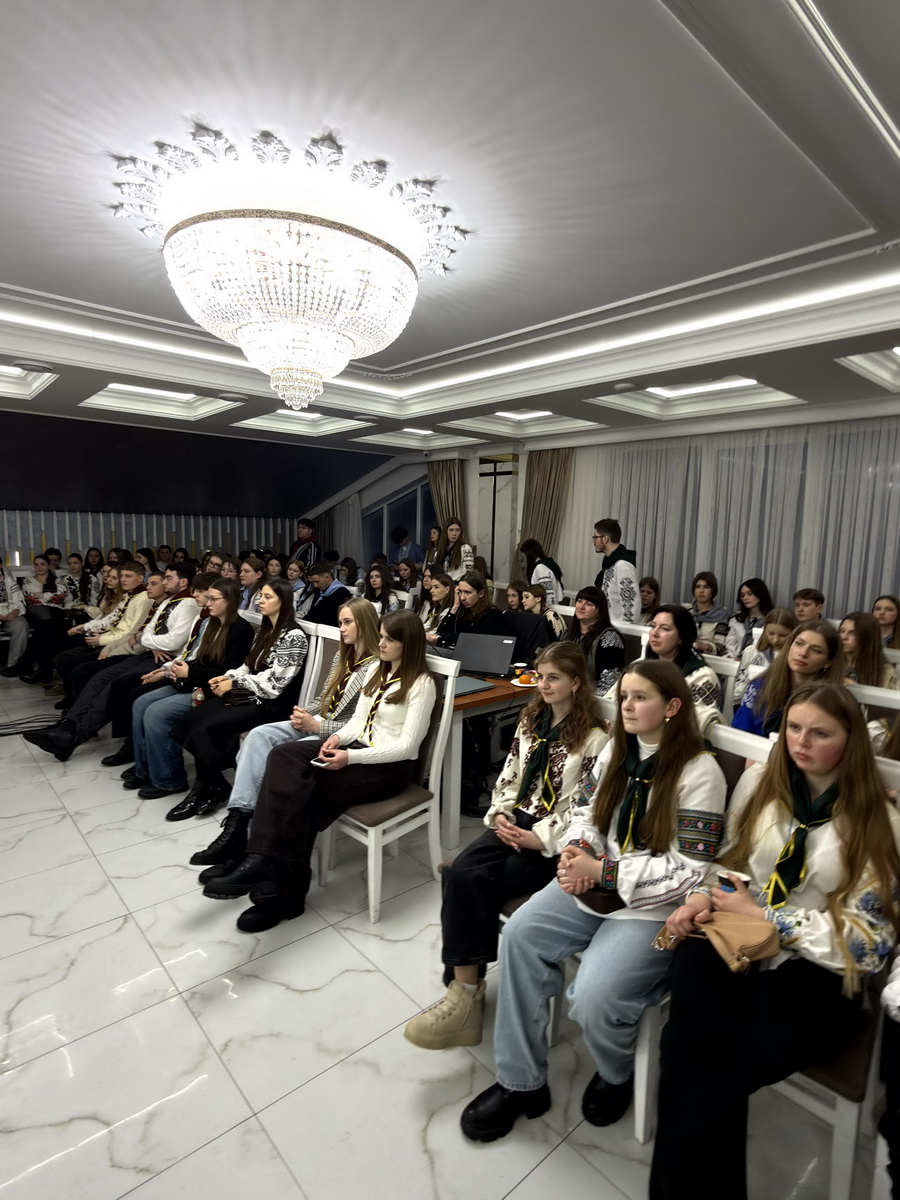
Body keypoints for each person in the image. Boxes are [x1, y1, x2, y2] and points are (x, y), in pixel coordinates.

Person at [650, 683, 900, 1199]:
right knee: (687, 1040)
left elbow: (869, 944)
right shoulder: (763, 786)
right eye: (793, 728)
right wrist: (702, 897)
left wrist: (769, 916)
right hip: (737, 935)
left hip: (820, 968)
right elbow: (729, 864)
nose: (801, 742)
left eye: (820, 733)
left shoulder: (880, 822)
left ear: (851, 741)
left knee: (705, 1065)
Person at [459, 660, 726, 1142]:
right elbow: (585, 811)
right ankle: (521, 1082)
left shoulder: (700, 771)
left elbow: (690, 870)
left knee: (594, 996)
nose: (627, 706)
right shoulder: (617, 752)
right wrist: (578, 849)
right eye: (624, 697)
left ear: (672, 707)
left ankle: (616, 1072)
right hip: (595, 885)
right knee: (519, 937)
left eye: (640, 697)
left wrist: (603, 871)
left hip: (654, 908)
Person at [404, 643, 607, 1050]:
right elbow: (509, 775)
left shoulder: (594, 739)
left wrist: (540, 838)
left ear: (575, 683)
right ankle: (466, 992)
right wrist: (500, 813)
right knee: (460, 871)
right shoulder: (532, 720)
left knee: (472, 881)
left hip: (553, 839)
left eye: (554, 678)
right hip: (516, 820)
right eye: (540, 676)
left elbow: (584, 808)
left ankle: (463, 989)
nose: (543, 685)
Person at [201, 609, 437, 933]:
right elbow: (357, 722)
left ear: (408, 644)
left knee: (303, 791)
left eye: (388, 639)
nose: (380, 643)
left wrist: (350, 758)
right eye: (381, 636)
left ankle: (278, 888)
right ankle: (263, 862)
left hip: (389, 768)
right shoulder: (376, 670)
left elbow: (407, 748)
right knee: (283, 756)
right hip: (356, 749)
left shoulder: (422, 684)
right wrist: (337, 739)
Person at [189, 597, 381, 871]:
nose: (341, 629)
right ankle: (237, 823)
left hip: (339, 736)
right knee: (258, 737)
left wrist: (316, 726)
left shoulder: (376, 666)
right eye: (340, 622)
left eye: (348, 622)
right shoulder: (343, 655)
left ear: (365, 623)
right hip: (318, 721)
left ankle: (248, 840)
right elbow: (323, 699)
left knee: (278, 757)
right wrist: (303, 713)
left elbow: (362, 725)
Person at [24, 565, 200, 762]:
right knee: (101, 677)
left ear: (183, 582)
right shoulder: (168, 601)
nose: (164, 582)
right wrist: (148, 640)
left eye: (168, 578)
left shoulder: (188, 605)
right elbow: (146, 630)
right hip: (150, 653)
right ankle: (68, 725)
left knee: (116, 685)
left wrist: (146, 639)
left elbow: (171, 642)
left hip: (165, 659)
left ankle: (74, 737)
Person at [166, 578, 308, 818]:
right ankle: (213, 785)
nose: (260, 601)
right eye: (260, 596)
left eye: (267, 597)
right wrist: (227, 677)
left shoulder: (294, 636)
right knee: (191, 720)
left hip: (272, 705)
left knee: (205, 727)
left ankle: (205, 788)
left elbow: (275, 685)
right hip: (249, 696)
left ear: (283, 602)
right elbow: (247, 665)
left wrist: (234, 683)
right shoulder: (265, 630)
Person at [127, 577, 254, 800]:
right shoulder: (210, 623)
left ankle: (169, 780)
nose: (208, 603)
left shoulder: (241, 630)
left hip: (213, 689)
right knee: (141, 703)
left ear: (230, 600)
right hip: (194, 681)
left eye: (213, 599)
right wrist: (172, 669)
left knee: (157, 713)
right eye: (208, 598)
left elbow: (228, 672)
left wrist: (189, 673)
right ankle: (146, 769)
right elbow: (197, 658)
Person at [51, 562, 151, 703]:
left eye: (127, 576)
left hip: (120, 645)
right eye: (122, 576)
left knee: (77, 667)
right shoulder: (129, 596)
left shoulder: (143, 598)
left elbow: (130, 631)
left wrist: (103, 641)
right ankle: (72, 701)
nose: (123, 580)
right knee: (63, 656)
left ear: (140, 579)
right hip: (109, 638)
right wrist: (88, 628)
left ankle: (77, 705)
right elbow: (111, 619)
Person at [732, 619, 846, 737]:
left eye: (816, 650)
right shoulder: (759, 686)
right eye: (799, 644)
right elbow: (739, 735)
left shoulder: (833, 701)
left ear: (828, 661)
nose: (803, 653)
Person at [645, 605, 721, 715]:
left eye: (665, 629)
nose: (654, 633)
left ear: (681, 637)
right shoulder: (641, 664)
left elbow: (698, 721)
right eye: (653, 626)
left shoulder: (702, 677)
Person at [18, 555, 78, 685]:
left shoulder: (58, 580)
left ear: (48, 566)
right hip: (36, 612)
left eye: (42, 564)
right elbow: (30, 599)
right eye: (36, 564)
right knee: (51, 626)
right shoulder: (28, 581)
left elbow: (60, 596)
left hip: (56, 613)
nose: (39, 567)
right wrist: (49, 597)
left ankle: (31, 665)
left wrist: (41, 595)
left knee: (48, 629)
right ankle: (44, 672)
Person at [564, 585, 625, 696]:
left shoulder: (610, 638)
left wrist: (578, 694)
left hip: (591, 696)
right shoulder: (567, 634)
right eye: (579, 601)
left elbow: (609, 684)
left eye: (589, 604)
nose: (581, 607)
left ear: (599, 611)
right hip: (564, 690)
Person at [733, 606, 797, 706]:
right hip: (749, 702)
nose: (775, 639)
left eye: (783, 635)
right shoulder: (751, 651)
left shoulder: (794, 657)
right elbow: (741, 679)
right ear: (764, 630)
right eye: (771, 633)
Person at [430, 571, 509, 647]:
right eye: (460, 592)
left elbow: (471, 640)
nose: (462, 597)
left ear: (481, 593)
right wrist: (455, 607)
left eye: (467, 592)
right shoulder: (463, 611)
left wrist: (440, 638)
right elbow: (441, 632)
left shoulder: (493, 615)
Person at [592, 519, 639, 624]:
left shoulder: (623, 566)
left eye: (595, 537)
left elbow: (631, 603)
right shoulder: (610, 564)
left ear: (605, 539)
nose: (593, 541)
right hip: (607, 626)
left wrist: (626, 630)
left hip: (619, 629)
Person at [840, 611, 898, 689]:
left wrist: (858, 690)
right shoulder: (831, 662)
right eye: (842, 631)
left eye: (852, 633)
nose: (843, 637)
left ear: (867, 637)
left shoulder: (886, 672)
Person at [725, 578, 775, 657]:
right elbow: (730, 643)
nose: (745, 598)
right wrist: (734, 657)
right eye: (742, 595)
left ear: (760, 594)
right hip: (735, 660)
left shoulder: (772, 619)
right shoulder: (737, 618)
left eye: (750, 594)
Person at [684, 571, 729, 654]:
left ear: (712, 591)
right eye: (698, 587)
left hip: (709, 657)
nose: (701, 591)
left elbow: (721, 647)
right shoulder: (686, 612)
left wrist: (706, 647)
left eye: (706, 587)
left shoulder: (720, 615)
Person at [0, 565, 28, 677]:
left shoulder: (9, 580)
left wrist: (15, 611)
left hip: (9, 613)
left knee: (21, 625)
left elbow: (19, 599)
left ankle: (13, 665)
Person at [519, 538, 564, 607]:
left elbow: (548, 595)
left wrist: (547, 610)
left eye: (522, 559)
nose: (522, 563)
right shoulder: (545, 564)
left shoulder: (541, 568)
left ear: (528, 554)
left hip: (548, 608)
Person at [305, 562, 352, 627]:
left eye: (317, 582)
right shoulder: (319, 590)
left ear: (327, 577)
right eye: (313, 583)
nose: (315, 585)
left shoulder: (342, 593)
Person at [434, 517, 474, 582]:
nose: (454, 533)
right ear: (446, 531)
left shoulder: (465, 548)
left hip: (458, 583)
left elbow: (469, 571)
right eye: (451, 530)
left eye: (457, 530)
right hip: (442, 584)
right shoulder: (439, 550)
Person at [238, 555, 266, 626]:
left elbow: (261, 621)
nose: (241, 574)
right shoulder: (240, 591)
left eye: (246, 571)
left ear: (258, 574)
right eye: (241, 571)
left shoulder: (263, 595)